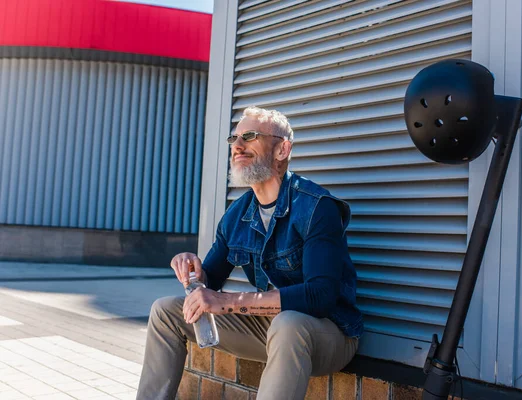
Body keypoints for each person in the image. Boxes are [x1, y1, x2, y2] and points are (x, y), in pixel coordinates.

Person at [137, 106, 363, 400]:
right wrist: (195, 273)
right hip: (267, 328)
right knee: (165, 310)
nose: (237, 146)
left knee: (289, 322)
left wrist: (228, 302)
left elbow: (321, 296)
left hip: (329, 333)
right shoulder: (238, 213)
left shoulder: (317, 207)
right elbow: (212, 282)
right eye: (234, 139)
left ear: (282, 149)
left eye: (250, 136)